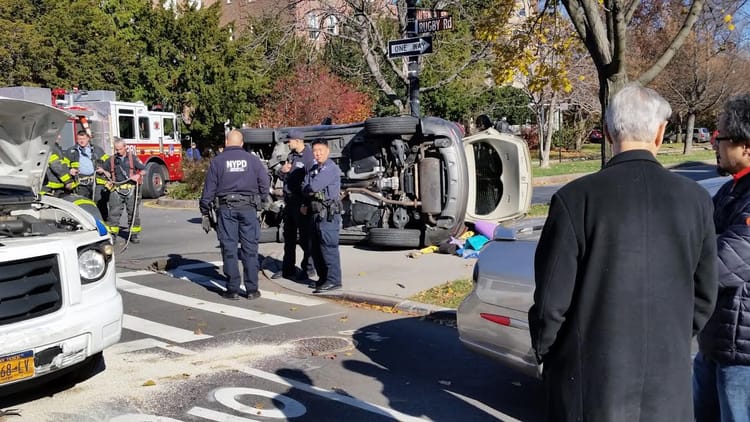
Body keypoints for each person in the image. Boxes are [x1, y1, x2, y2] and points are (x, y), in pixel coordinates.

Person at [529, 83, 718, 421]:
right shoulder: (697, 201)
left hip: (591, 385)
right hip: (668, 384)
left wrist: (547, 352)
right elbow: (705, 295)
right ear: (661, 134)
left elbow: (550, 303)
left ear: (607, 132)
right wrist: (670, 337)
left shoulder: (575, 199)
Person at [693, 94, 750, 422]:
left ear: (745, 145)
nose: (715, 144)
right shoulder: (731, 190)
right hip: (716, 343)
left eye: (720, 138)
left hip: (742, 357)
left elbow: (721, 263)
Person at [199, 130, 270, 300]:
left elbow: (209, 189)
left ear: (226, 142)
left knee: (229, 249)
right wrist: (262, 199)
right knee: (250, 250)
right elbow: (264, 182)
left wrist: (204, 208)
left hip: (226, 209)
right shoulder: (253, 160)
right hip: (249, 208)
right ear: (242, 143)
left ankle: (233, 289)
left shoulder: (218, 161)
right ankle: (252, 290)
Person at [272, 129, 316, 282]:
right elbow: (286, 176)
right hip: (290, 202)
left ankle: (308, 269)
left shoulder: (309, 157)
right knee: (289, 237)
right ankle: (287, 269)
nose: (288, 143)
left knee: (305, 239)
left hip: (302, 202)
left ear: (297, 141)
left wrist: (306, 203)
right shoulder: (292, 156)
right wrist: (282, 171)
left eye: (289, 141)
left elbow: (312, 181)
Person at [302, 139, 342, 293]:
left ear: (327, 151)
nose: (317, 153)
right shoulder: (314, 169)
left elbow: (313, 186)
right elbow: (304, 186)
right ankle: (323, 278)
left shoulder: (331, 168)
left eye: (320, 150)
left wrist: (309, 187)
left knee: (328, 247)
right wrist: (308, 188)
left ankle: (334, 280)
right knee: (316, 248)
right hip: (315, 213)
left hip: (328, 214)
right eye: (315, 151)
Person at [105, 138, 145, 244]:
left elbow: (144, 170)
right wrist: (105, 175)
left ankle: (134, 234)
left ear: (125, 147)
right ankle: (112, 235)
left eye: (120, 149)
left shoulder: (133, 158)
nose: (118, 151)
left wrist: (138, 175)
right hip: (116, 190)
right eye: (116, 149)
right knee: (113, 214)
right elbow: (105, 171)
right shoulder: (112, 159)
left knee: (133, 213)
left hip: (131, 189)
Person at [68, 130, 110, 219]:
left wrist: (103, 170)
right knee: (82, 203)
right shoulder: (71, 151)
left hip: (96, 180)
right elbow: (64, 165)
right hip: (81, 182)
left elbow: (108, 162)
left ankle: (103, 221)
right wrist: (70, 170)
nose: (81, 141)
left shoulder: (97, 149)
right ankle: (86, 222)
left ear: (88, 139)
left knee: (100, 202)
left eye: (83, 138)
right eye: (79, 139)